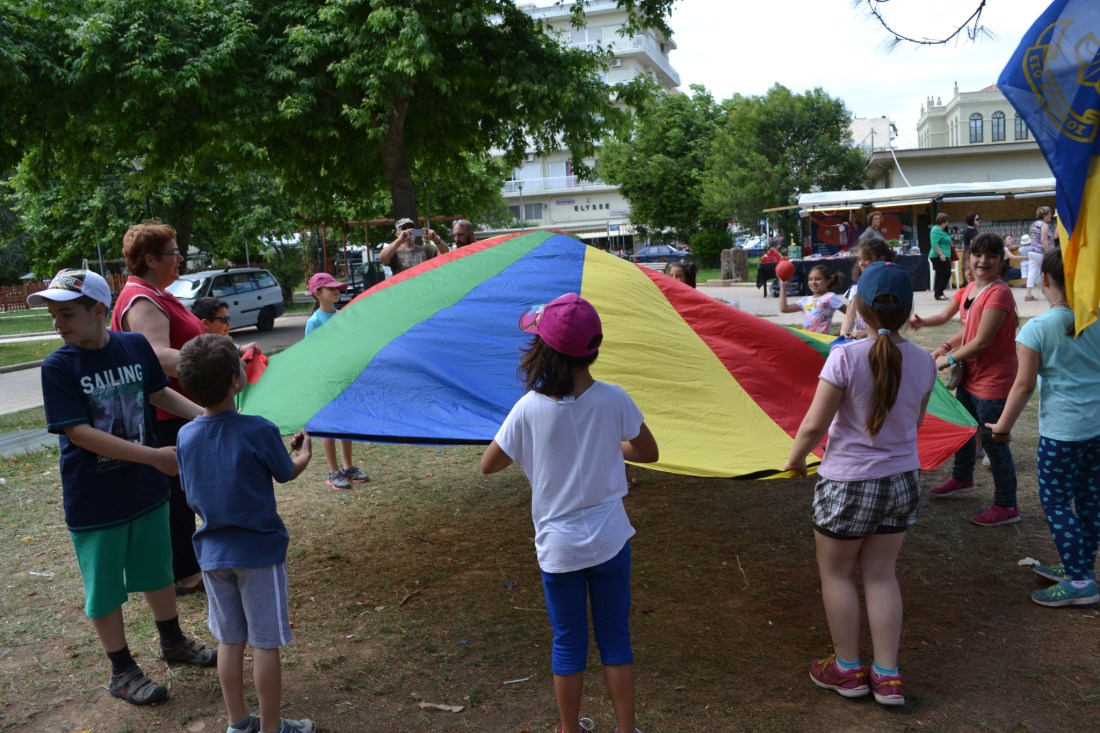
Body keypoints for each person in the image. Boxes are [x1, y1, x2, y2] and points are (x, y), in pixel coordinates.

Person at [30, 269, 217, 706]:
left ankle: (173, 642)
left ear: (99, 310)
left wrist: (210, 417)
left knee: (157, 571)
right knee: (105, 587)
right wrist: (154, 456)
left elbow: (159, 394)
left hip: (144, 491)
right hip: (95, 500)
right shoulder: (59, 366)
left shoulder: (134, 346)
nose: (58, 324)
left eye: (67, 314)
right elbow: (79, 433)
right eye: (53, 315)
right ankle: (121, 670)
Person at [480, 293, 659, 733]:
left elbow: (490, 464)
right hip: (610, 539)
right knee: (615, 637)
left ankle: (568, 728)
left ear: (542, 351)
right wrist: (609, 445)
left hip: (558, 549)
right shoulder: (614, 399)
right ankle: (626, 729)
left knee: (568, 642)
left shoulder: (527, 408)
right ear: (594, 349)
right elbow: (648, 452)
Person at [785, 262, 934, 707]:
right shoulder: (924, 361)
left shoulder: (845, 357)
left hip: (849, 483)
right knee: (881, 574)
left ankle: (848, 669)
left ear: (860, 308)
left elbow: (814, 425)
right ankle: (887, 676)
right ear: (908, 309)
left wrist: (795, 459)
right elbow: (915, 423)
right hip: (902, 481)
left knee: (837, 574)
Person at [176, 334, 316, 733]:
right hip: (259, 554)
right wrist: (304, 452)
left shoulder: (185, 436)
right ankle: (271, 728)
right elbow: (286, 472)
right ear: (236, 381)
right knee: (265, 643)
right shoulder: (259, 429)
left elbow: (191, 491)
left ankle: (238, 723)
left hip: (213, 556)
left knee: (230, 640)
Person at [986, 249, 1100, 607]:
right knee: (1089, 499)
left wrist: (1002, 427)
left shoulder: (1038, 328)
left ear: (1045, 279)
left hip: (1063, 433)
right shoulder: (1094, 320)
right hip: (1095, 428)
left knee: (1056, 501)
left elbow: (1023, 386)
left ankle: (1079, 582)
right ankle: (1080, 567)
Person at [112, 222, 205, 595]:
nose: (179, 258)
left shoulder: (154, 294)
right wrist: (214, 363)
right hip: (165, 416)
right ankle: (184, 573)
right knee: (177, 496)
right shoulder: (141, 300)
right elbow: (158, 357)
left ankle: (187, 566)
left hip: (176, 411)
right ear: (150, 259)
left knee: (182, 492)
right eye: (173, 253)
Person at [929, 233, 1020, 526]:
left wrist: (948, 360)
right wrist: (945, 346)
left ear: (1001, 260)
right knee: (966, 429)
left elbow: (982, 341)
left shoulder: (999, 293)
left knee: (994, 444)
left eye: (991, 255)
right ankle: (962, 478)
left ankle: (1007, 505)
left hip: (993, 381)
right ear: (969, 258)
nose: (983, 261)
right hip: (970, 376)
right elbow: (969, 330)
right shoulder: (971, 288)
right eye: (978, 255)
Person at [304, 272, 370, 490]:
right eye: (330, 288)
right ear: (317, 293)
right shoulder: (314, 322)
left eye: (337, 288)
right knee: (329, 425)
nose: (336, 291)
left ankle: (348, 467)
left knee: (345, 422)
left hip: (344, 378)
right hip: (326, 380)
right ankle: (333, 471)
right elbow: (310, 354)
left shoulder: (343, 316)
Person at [840, 233, 894, 339]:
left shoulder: (887, 288)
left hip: (880, 341)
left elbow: (890, 322)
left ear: (881, 259)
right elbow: (850, 316)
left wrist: (865, 333)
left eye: (867, 259)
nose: (861, 263)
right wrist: (844, 332)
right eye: (860, 259)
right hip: (859, 342)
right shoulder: (856, 288)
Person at [779, 265, 847, 334]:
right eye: (810, 279)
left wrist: (841, 332)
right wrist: (783, 286)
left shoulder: (830, 297)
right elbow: (784, 309)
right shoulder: (805, 300)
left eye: (817, 279)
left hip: (822, 339)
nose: (813, 282)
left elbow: (850, 314)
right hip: (808, 338)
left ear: (828, 282)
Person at [380, 217, 450, 275]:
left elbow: (446, 254)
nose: (408, 230)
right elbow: (383, 258)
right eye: (404, 228)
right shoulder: (394, 252)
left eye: (410, 227)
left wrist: (435, 238)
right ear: (398, 234)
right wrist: (399, 240)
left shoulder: (426, 249)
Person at [1025, 206, 1054, 301]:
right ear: (1045, 215)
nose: (1051, 215)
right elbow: (1043, 240)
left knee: (1032, 273)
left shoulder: (1033, 224)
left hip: (1032, 251)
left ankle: (1028, 294)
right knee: (1048, 272)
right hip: (1040, 252)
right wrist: (1048, 252)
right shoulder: (1044, 225)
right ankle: (1050, 293)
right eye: (1049, 214)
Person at [929, 212, 953, 300]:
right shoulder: (936, 230)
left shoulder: (941, 230)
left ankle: (938, 293)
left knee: (940, 274)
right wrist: (941, 254)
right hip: (938, 256)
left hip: (942, 255)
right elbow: (934, 243)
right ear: (944, 222)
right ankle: (939, 292)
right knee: (946, 273)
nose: (947, 223)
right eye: (946, 222)